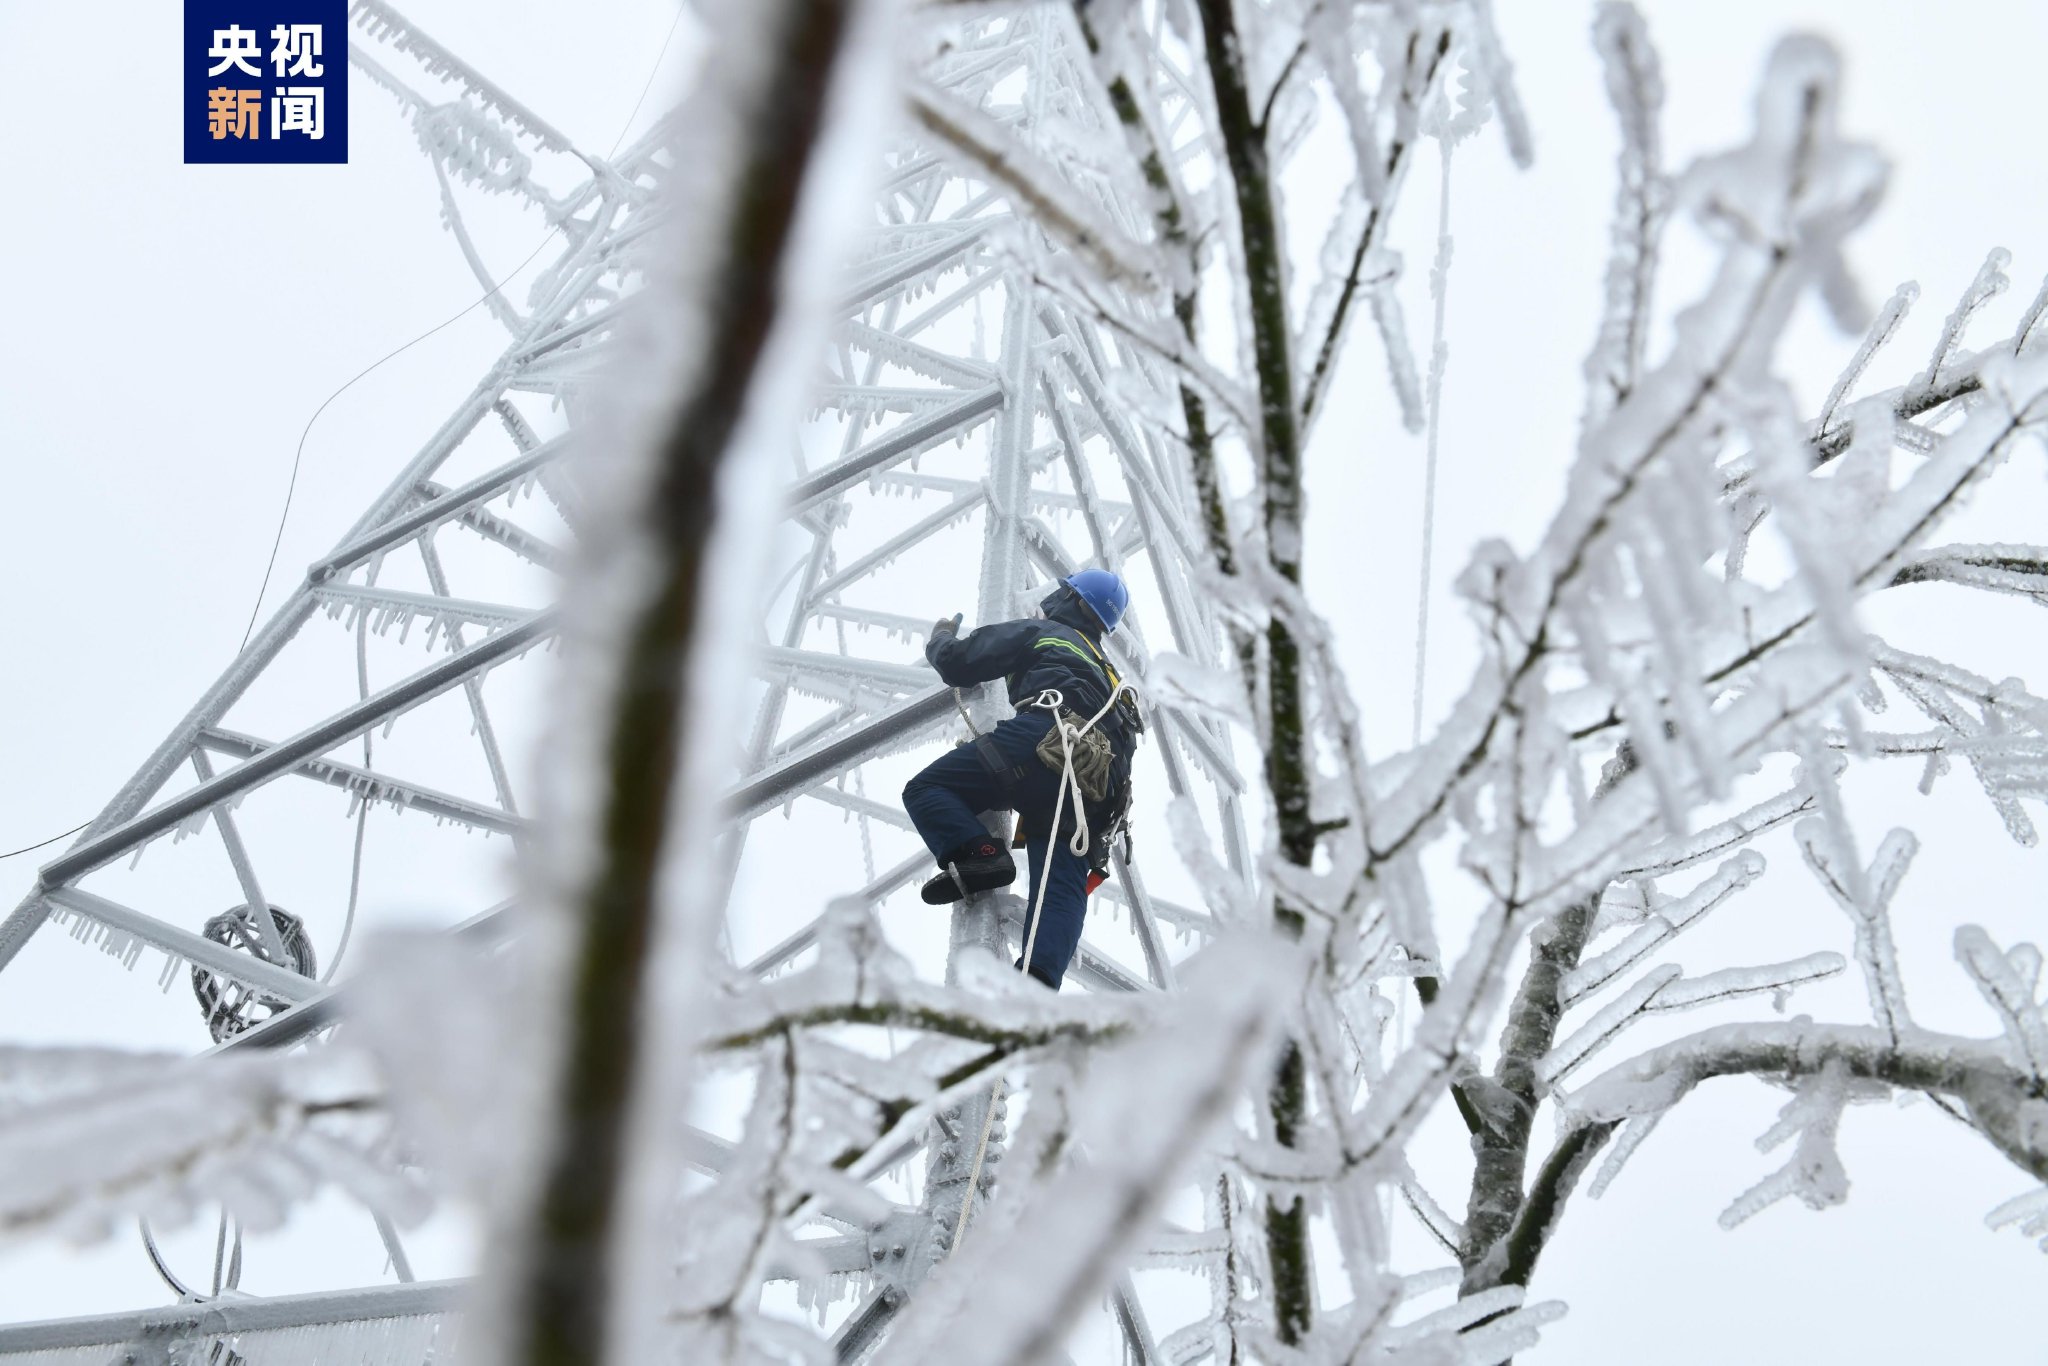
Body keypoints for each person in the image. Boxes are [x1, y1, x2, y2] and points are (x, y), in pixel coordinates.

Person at [901, 569, 1142, 990]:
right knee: (1062, 879)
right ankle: (1036, 986)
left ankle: (980, 854)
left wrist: (940, 637)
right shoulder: (1114, 680)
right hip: (1098, 790)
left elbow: (960, 662)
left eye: (1062, 592)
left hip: (1044, 741)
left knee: (926, 789)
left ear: (1073, 600)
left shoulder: (1048, 632)